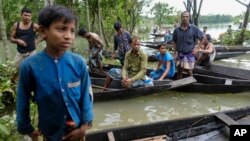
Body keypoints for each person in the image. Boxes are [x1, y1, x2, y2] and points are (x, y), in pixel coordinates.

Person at [16, 5, 93, 141]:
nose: (68, 36)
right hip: (50, 132)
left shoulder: (79, 63)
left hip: (77, 130)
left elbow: (86, 96)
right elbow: (23, 100)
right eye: (62, 29)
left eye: (72, 31)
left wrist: (84, 127)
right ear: (43, 31)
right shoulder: (29, 66)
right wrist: (27, 128)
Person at [173, 11, 205, 79]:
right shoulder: (176, 30)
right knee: (179, 71)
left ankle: (192, 84)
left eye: (187, 16)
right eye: (183, 16)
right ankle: (179, 85)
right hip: (180, 53)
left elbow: (203, 37)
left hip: (190, 53)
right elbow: (175, 42)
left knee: (189, 71)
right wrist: (174, 53)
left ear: (189, 17)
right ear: (181, 17)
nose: (185, 18)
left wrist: (197, 49)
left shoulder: (194, 28)